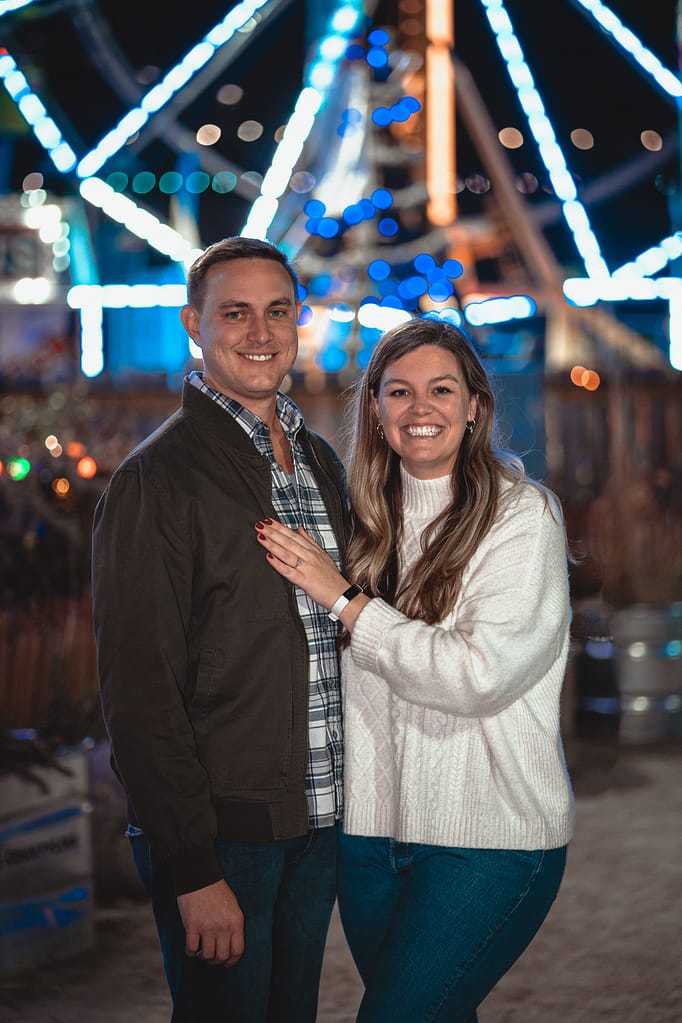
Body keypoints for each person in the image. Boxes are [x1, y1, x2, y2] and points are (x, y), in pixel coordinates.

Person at [255, 316, 576, 1023]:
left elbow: (477, 674)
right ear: (375, 408)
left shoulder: (523, 519)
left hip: (489, 840)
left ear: (474, 406)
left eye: (440, 389)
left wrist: (345, 601)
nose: (419, 408)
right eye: (398, 391)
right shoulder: (358, 519)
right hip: (369, 839)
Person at [91, 237, 349, 1023]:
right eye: (234, 312)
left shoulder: (319, 462)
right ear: (192, 325)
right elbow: (138, 692)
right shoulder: (156, 479)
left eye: (277, 311)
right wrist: (193, 867)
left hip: (318, 818)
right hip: (225, 833)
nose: (259, 332)